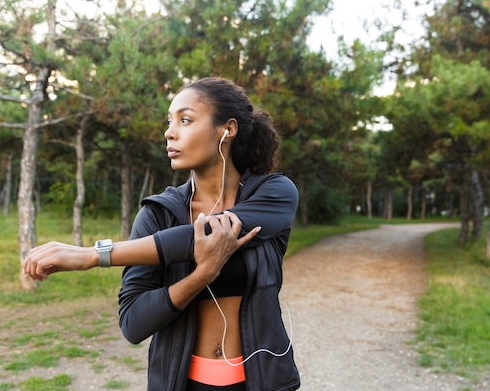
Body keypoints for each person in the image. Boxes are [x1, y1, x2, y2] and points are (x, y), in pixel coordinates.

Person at [24, 77, 300, 391]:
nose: (169, 132)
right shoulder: (157, 214)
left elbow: (205, 233)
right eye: (169, 122)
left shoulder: (273, 193)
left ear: (228, 129)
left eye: (185, 120)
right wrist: (202, 276)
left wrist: (93, 255)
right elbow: (133, 324)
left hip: (261, 382)